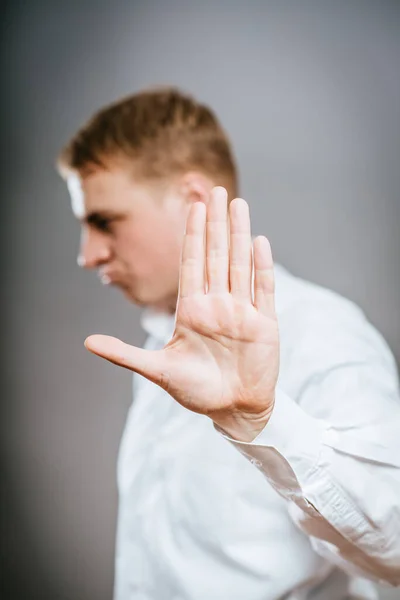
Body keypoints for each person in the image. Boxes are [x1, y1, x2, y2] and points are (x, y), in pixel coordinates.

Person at [57, 87, 400, 600]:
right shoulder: (167, 344)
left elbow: (395, 548)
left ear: (195, 203)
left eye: (104, 221)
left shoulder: (325, 336)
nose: (87, 255)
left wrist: (262, 422)